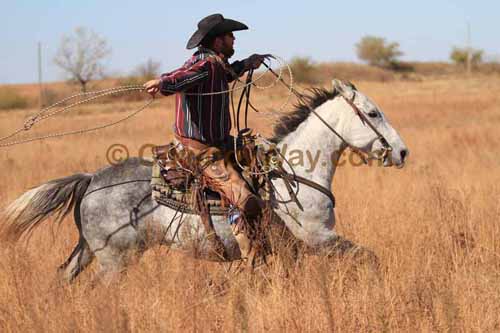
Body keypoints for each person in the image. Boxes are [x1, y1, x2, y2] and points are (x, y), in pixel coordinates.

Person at [143, 13, 269, 264]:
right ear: (218, 41)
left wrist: (247, 63)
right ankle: (250, 259)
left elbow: (226, 75)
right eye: (230, 36)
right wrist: (163, 82)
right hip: (201, 149)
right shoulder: (204, 65)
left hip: (220, 143)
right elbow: (184, 76)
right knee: (245, 199)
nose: (234, 40)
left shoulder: (216, 64)